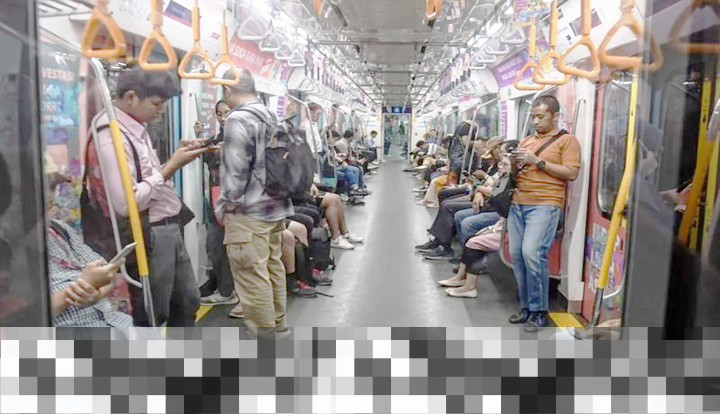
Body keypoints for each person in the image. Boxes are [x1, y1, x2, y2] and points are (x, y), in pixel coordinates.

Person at [88, 66, 210, 328]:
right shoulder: (112, 136)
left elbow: (147, 177)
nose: (161, 110)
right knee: (153, 311)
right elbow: (126, 203)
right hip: (149, 233)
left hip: (168, 226)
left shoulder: (136, 130)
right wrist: (172, 166)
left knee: (187, 301)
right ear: (131, 97)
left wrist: (173, 159)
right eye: (156, 103)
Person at [217, 68, 293, 339]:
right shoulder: (271, 115)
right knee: (272, 268)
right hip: (275, 207)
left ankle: (264, 338)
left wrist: (224, 204)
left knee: (251, 275)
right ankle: (278, 325)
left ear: (227, 89)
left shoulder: (238, 119)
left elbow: (236, 174)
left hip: (249, 212)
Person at [507, 95, 581, 332]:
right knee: (517, 255)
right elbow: (517, 172)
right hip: (518, 203)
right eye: (533, 117)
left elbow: (571, 172)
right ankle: (525, 307)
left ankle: (539, 310)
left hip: (545, 204)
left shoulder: (567, 141)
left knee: (532, 253)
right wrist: (512, 163)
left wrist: (538, 161)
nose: (536, 122)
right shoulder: (527, 140)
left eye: (541, 117)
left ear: (555, 115)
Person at [45, 155, 131, 328]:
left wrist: (96, 293)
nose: (51, 194)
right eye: (45, 186)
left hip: (114, 323)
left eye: (53, 186)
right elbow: (22, 317)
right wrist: (79, 289)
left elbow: (105, 274)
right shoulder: (9, 248)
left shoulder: (60, 229)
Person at [194, 101, 239, 307]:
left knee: (229, 246)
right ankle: (227, 289)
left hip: (235, 200)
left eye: (226, 113)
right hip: (218, 196)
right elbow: (206, 157)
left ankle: (231, 291)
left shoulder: (242, 139)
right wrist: (199, 138)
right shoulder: (217, 140)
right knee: (216, 244)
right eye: (219, 114)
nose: (223, 118)